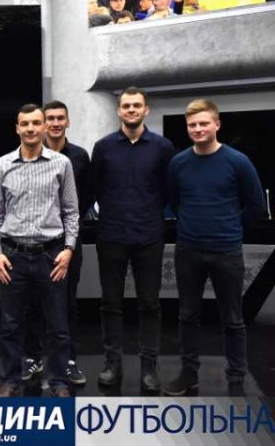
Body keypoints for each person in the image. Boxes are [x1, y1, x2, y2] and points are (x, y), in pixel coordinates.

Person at [164, 99, 266, 396]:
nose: (198, 129)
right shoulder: (178, 163)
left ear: (217, 124)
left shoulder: (238, 161)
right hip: (188, 250)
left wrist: (229, 225)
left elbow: (256, 205)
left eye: (203, 123)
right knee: (187, 315)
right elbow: (175, 202)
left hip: (226, 250)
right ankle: (188, 374)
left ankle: (236, 377)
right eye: (192, 125)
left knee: (232, 318)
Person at [0, 104, 79, 398]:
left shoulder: (62, 163)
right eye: (24, 123)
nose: (30, 128)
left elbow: (71, 212)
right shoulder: (2, 165)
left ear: (44, 127)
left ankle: (58, 381)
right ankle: (11, 379)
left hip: (51, 255)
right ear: (17, 128)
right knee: (10, 324)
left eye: (35, 123)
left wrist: (69, 249)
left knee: (58, 324)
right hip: (12, 256)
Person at [91, 87, 175, 392]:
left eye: (136, 105)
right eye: (126, 106)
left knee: (149, 304)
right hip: (111, 234)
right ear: (119, 111)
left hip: (149, 235)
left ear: (146, 110)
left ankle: (149, 367)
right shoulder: (103, 147)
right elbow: (97, 188)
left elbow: (167, 190)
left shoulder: (163, 147)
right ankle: (112, 364)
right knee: (110, 303)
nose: (131, 110)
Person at [21, 101, 92, 387]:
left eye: (60, 118)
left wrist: (65, 228)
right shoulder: (30, 156)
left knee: (67, 303)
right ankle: (34, 357)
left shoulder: (80, 156)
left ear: (67, 121)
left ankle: (68, 360)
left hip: (68, 241)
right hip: (37, 241)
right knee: (34, 302)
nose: (55, 123)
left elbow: (86, 197)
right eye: (49, 118)